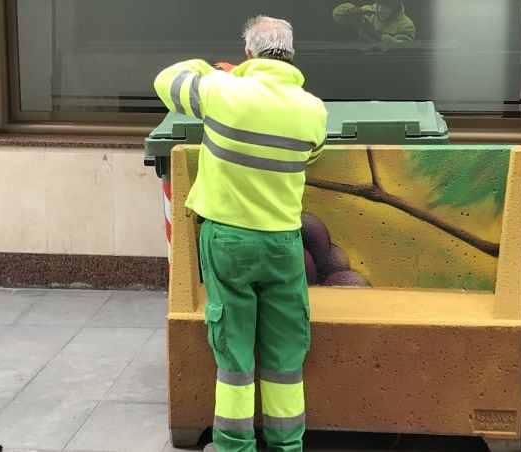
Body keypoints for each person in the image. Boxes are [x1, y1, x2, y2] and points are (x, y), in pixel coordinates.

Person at [154, 15, 327, 452]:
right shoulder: (313, 109)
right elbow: (314, 153)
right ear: (291, 54)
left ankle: (235, 445)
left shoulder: (222, 91)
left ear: (250, 53)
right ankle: (288, 445)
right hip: (285, 245)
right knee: (286, 354)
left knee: (233, 352)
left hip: (228, 241)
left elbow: (167, 80)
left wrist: (223, 73)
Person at [333, 0, 416, 43]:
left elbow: (403, 51)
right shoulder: (368, 11)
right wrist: (349, 10)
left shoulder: (407, 25)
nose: (383, 3)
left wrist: (376, 35)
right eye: (380, 1)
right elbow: (337, 15)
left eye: (387, 2)